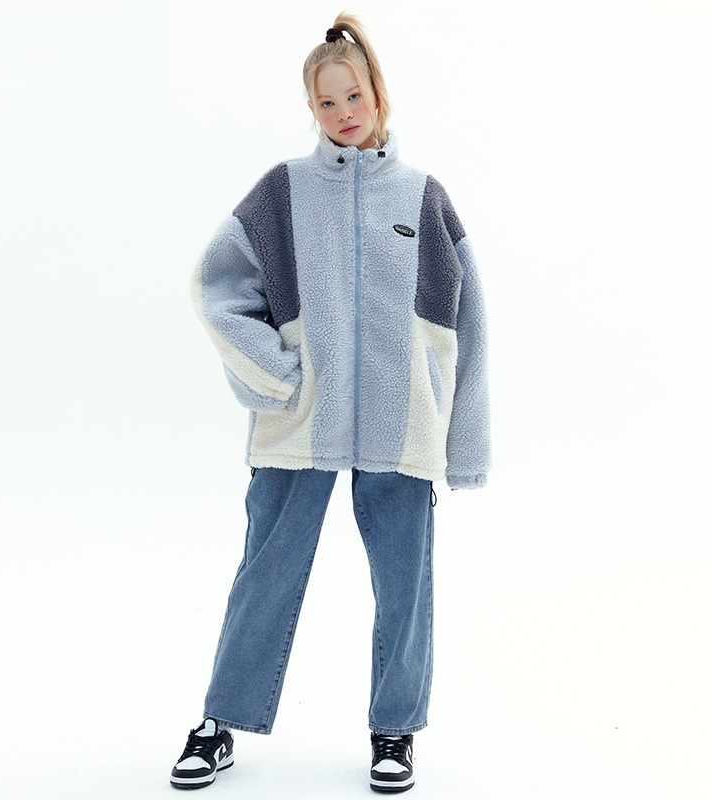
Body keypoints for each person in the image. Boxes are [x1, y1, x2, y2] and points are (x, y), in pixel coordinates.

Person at [170, 12, 489, 794]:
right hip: (298, 424)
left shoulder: (424, 198)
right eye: (326, 102)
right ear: (310, 108)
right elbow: (215, 288)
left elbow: (470, 325)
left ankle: (395, 729)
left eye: (354, 95)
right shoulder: (282, 193)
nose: (344, 112)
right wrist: (277, 377)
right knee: (265, 572)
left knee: (406, 584)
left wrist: (462, 445)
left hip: (402, 425)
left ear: (377, 92)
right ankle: (220, 721)